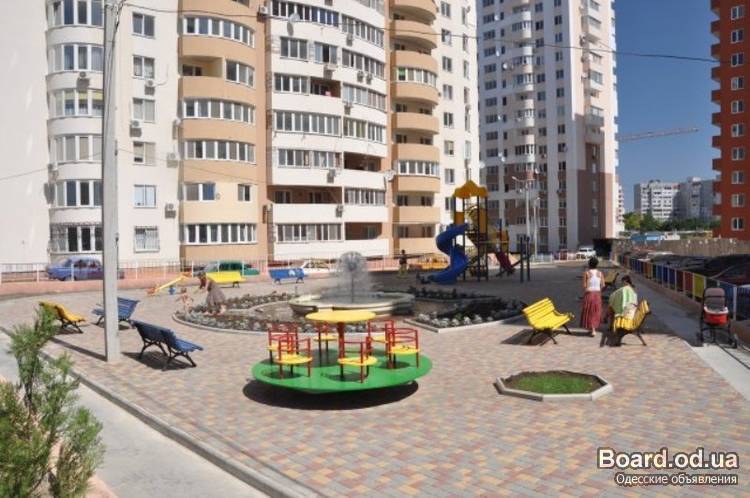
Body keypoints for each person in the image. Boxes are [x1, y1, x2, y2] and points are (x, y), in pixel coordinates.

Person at [580, 257, 604, 336]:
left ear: (589, 264)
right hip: (597, 294)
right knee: (596, 311)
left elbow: (584, 286)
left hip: (589, 293)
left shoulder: (586, 273)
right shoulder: (600, 273)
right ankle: (592, 329)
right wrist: (598, 289)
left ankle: (592, 330)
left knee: (589, 311)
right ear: (597, 264)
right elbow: (603, 285)